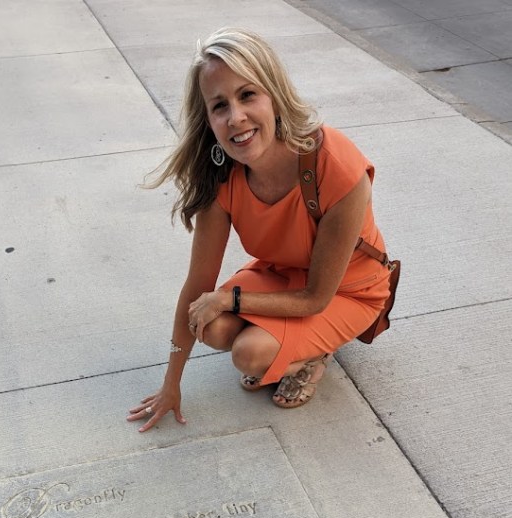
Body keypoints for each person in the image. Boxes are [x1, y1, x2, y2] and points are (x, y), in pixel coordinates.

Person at [127, 28, 392, 432]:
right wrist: (171, 385)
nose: (236, 118)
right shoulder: (221, 178)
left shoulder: (334, 164)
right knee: (210, 325)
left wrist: (230, 299)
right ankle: (288, 339)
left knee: (249, 354)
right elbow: (196, 284)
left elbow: (315, 297)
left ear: (275, 95)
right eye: (219, 105)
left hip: (348, 290)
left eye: (247, 95)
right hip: (282, 277)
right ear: (209, 121)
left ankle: (313, 353)